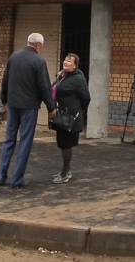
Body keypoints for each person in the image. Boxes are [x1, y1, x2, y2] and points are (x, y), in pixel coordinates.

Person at [0, 33, 56, 188]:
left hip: (13, 104)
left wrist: (4, 100)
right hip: (29, 106)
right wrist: (51, 107)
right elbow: (44, 87)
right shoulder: (39, 61)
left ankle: (1, 176)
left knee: (9, 139)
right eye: (42, 46)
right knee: (25, 141)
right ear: (38, 45)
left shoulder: (14, 57)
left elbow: (5, 80)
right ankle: (16, 180)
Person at [51, 53, 91, 184]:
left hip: (71, 117)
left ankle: (64, 173)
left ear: (75, 66)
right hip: (61, 116)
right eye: (65, 60)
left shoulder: (78, 79)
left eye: (69, 61)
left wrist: (78, 110)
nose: (65, 62)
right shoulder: (62, 76)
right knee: (62, 144)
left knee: (67, 144)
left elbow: (86, 98)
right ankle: (66, 170)